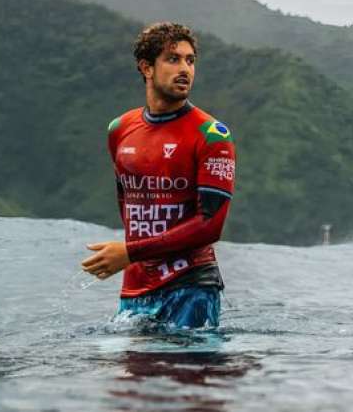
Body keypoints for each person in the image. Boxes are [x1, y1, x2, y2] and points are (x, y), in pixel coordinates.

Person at [81, 22, 236, 329]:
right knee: (128, 375)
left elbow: (210, 226)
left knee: (181, 375)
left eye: (190, 60)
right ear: (146, 68)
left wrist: (130, 252)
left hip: (191, 287)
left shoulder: (212, 135)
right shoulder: (120, 130)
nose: (185, 69)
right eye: (173, 59)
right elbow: (128, 201)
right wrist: (134, 256)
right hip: (135, 286)